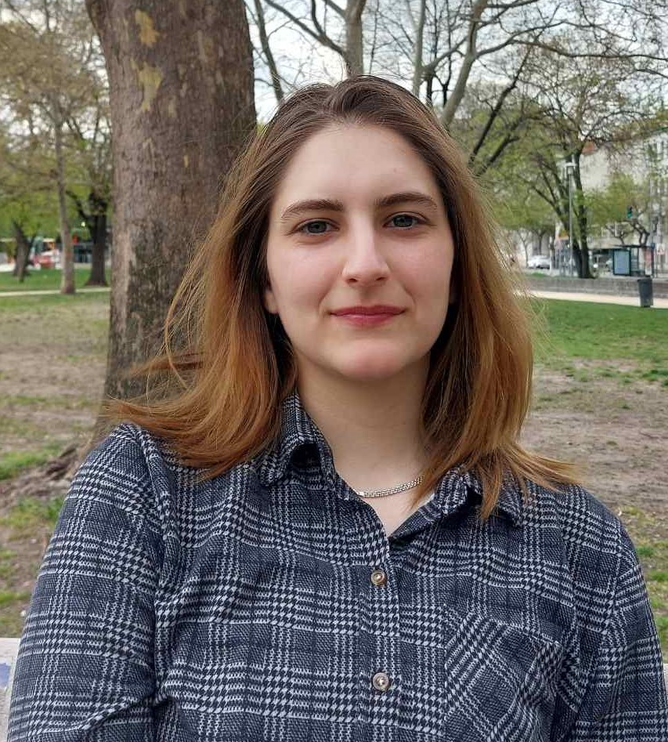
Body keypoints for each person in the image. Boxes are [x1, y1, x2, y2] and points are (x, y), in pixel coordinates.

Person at [7, 76, 668, 741]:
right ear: (265, 278)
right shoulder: (142, 493)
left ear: (457, 261)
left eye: (403, 219)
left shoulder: (582, 549)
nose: (365, 264)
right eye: (317, 226)